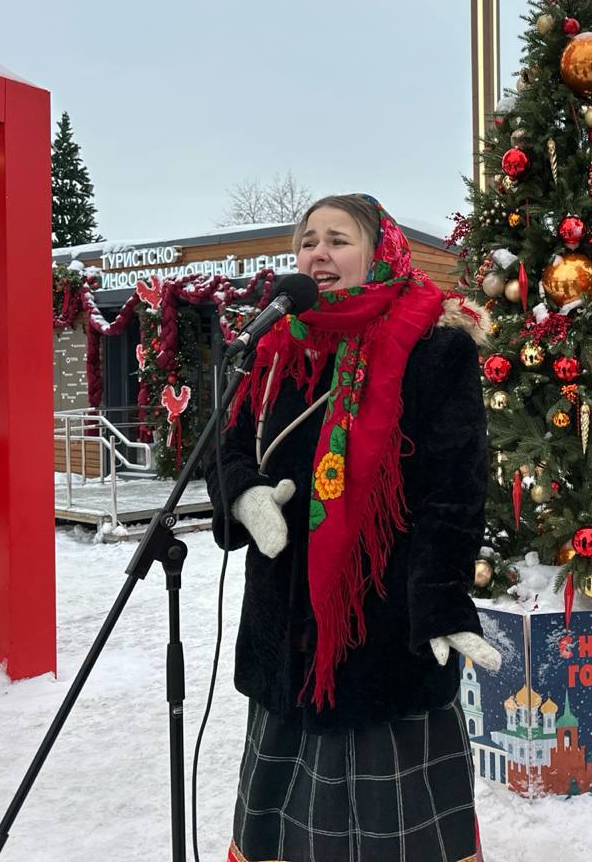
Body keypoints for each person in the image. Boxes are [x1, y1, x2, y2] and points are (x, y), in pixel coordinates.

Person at [207, 193, 501, 862]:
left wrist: (442, 599)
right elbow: (225, 447)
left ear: (379, 251)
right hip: (284, 632)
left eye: (338, 239)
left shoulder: (434, 347)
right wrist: (243, 495)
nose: (318, 252)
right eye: (308, 239)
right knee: (283, 827)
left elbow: (456, 489)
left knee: (392, 831)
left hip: (386, 634)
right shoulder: (276, 346)